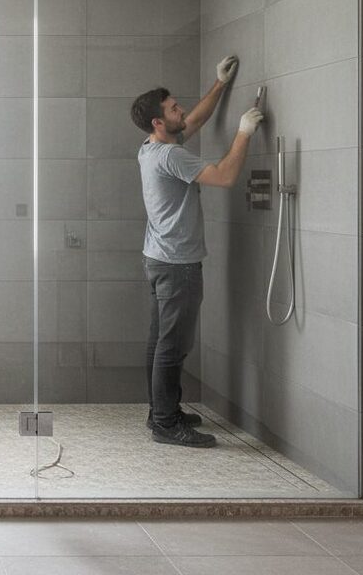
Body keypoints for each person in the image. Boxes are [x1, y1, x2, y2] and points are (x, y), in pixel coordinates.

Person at [130, 56, 263, 448]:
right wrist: (244, 133)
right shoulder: (170, 156)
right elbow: (223, 176)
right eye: (173, 109)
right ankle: (167, 424)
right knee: (173, 345)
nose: (181, 110)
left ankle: (162, 411)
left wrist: (219, 84)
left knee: (160, 341)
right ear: (158, 121)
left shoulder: (151, 147)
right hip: (177, 264)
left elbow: (194, 122)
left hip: (158, 257)